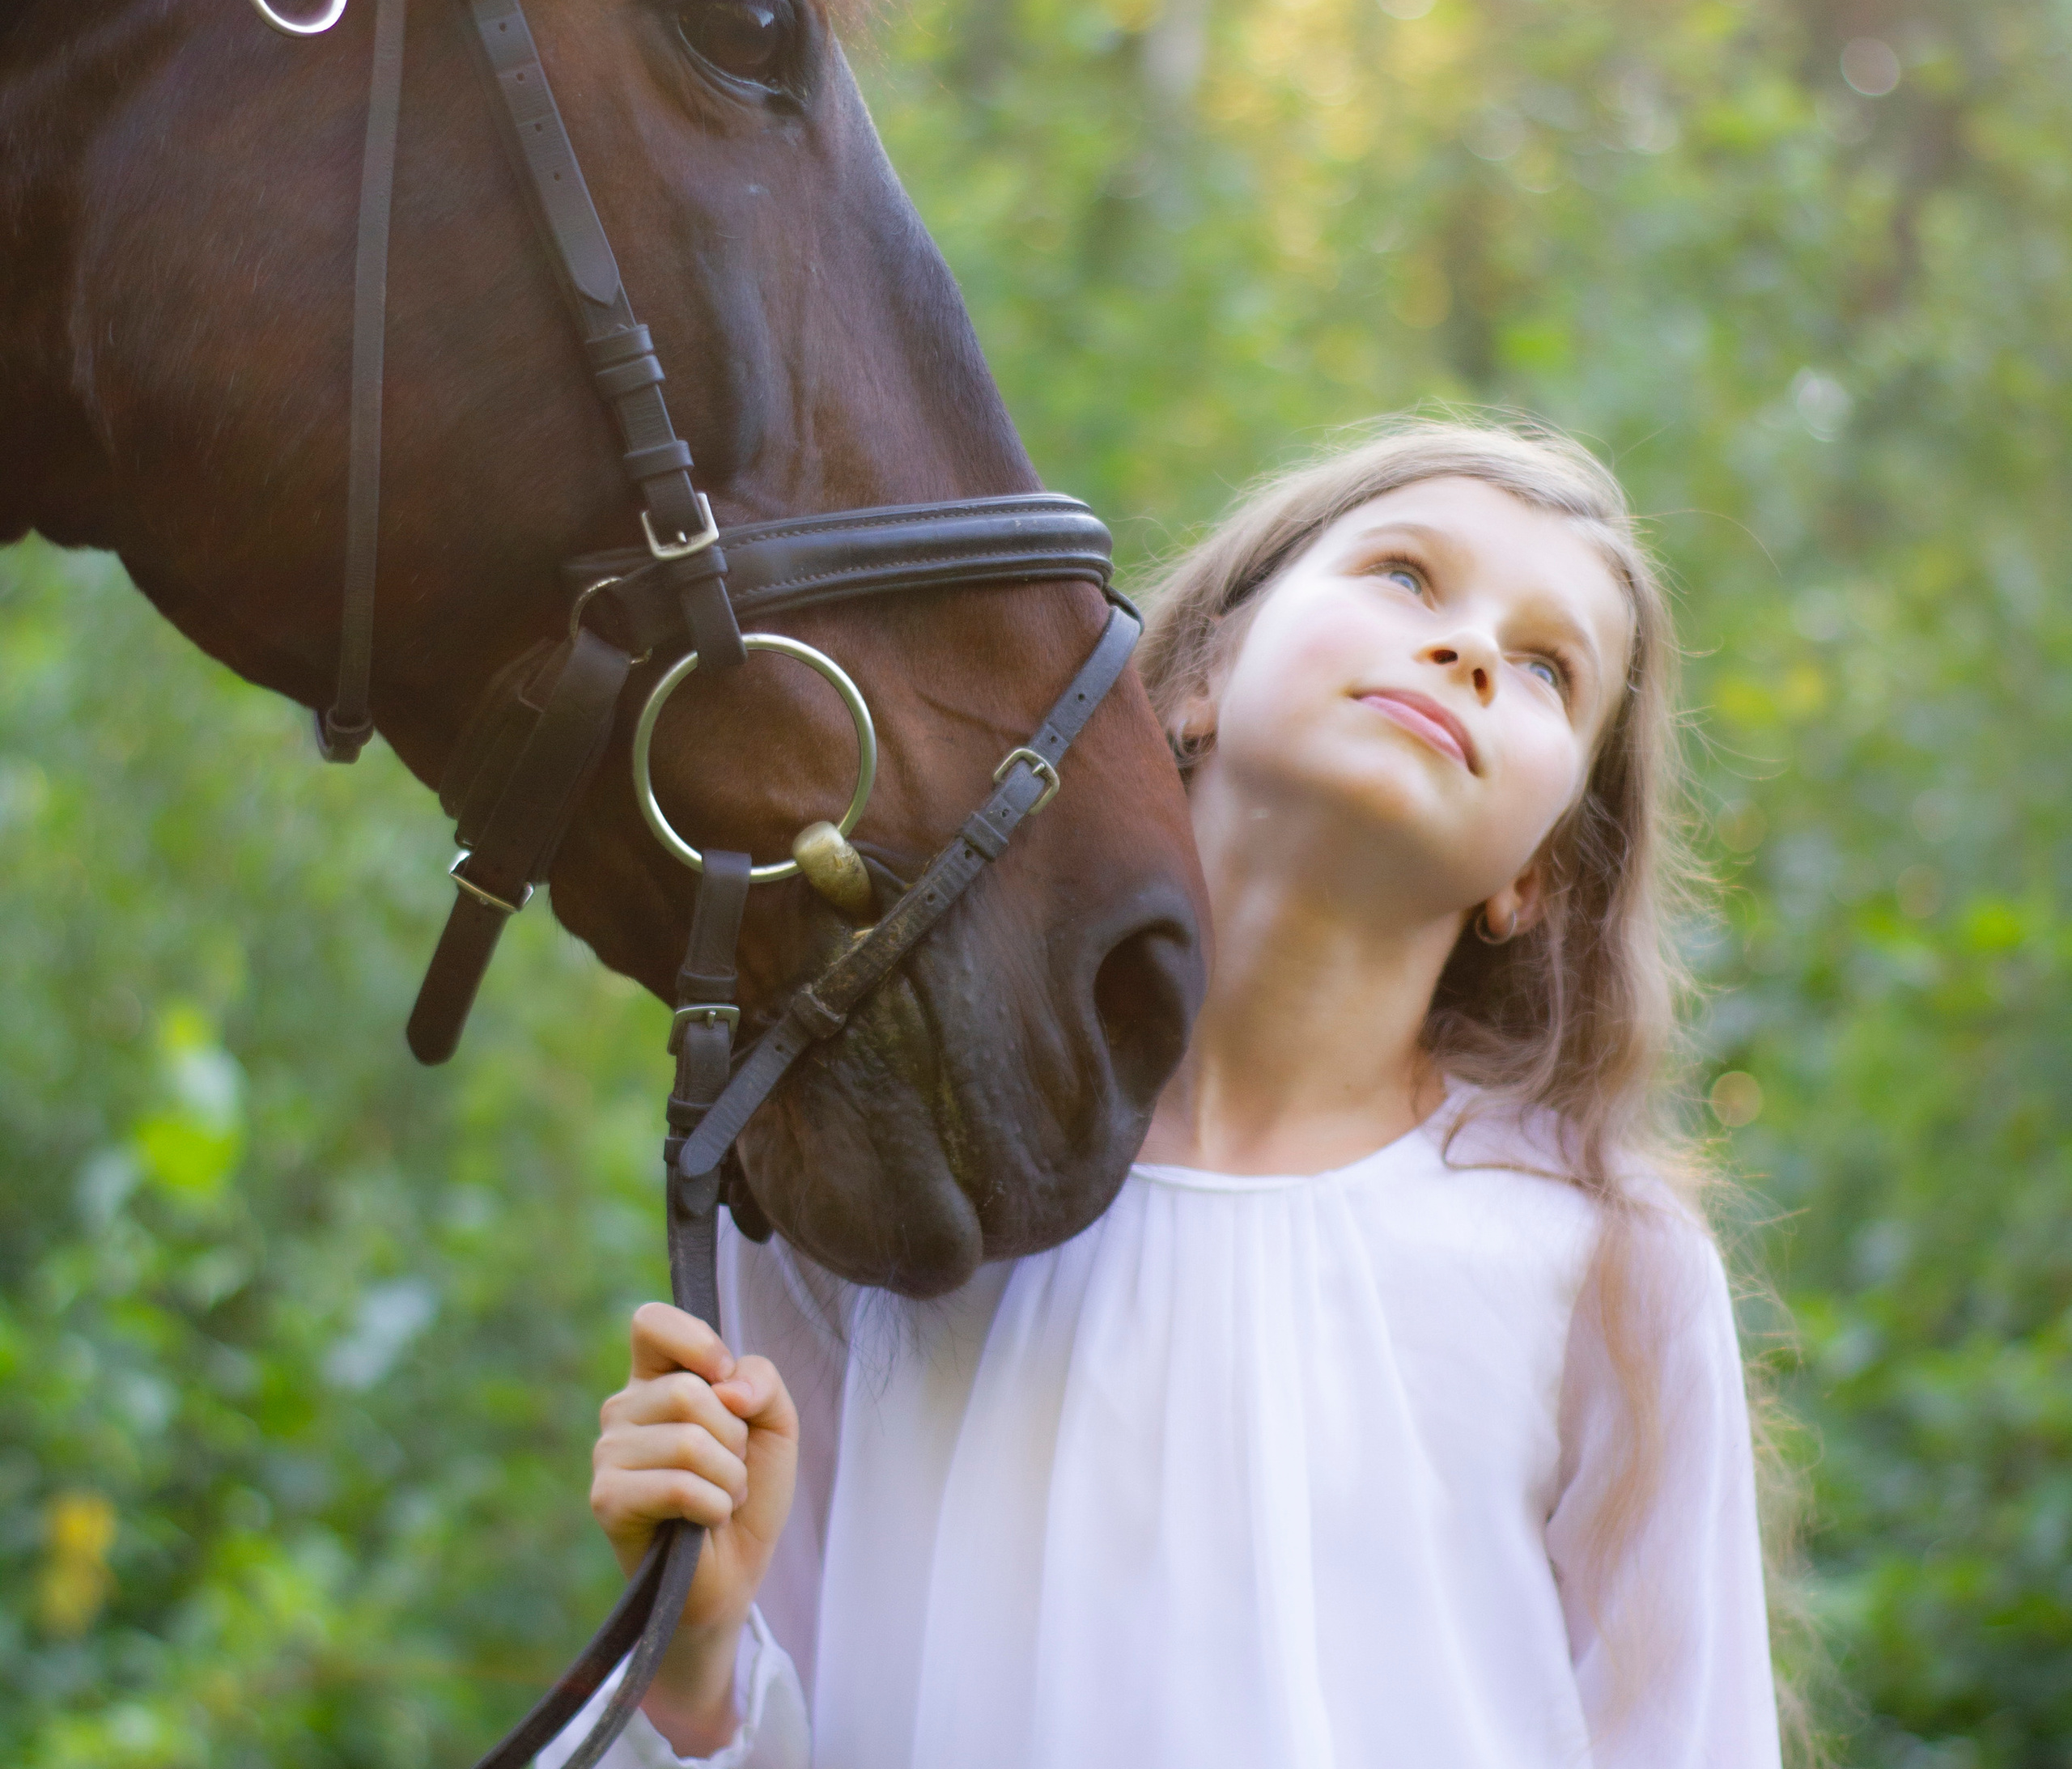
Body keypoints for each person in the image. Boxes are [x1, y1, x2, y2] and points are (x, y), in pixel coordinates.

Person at [546, 416, 1785, 1769]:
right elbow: (760, 1719)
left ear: (1536, 872)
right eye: (1406, 577)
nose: (1473, 648)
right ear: (1197, 676)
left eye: (1549, 666)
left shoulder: (1604, 1262)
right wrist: (690, 1663)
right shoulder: (893, 1163)